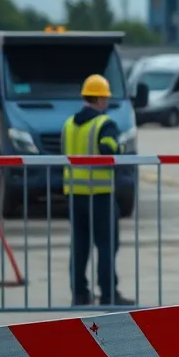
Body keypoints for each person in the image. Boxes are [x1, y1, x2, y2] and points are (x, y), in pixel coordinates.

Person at [63, 74, 134, 307]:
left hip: (75, 194)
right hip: (99, 194)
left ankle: (80, 294)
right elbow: (109, 149)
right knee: (106, 245)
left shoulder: (69, 124)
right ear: (100, 99)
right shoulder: (105, 124)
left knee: (80, 245)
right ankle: (108, 294)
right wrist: (120, 147)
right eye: (106, 98)